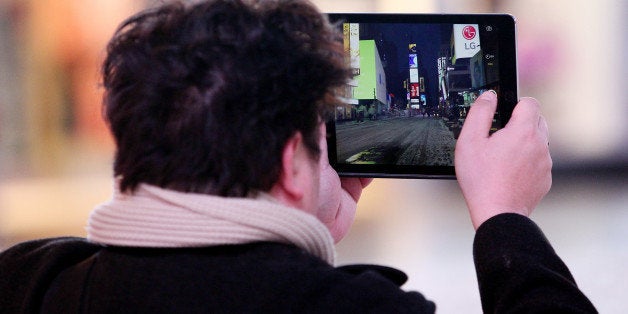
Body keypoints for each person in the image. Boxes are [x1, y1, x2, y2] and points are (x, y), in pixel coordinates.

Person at [0, 0, 597, 313]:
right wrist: (503, 219)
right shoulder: (356, 309)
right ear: (291, 162)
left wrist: (301, 226)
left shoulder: (30, 281)